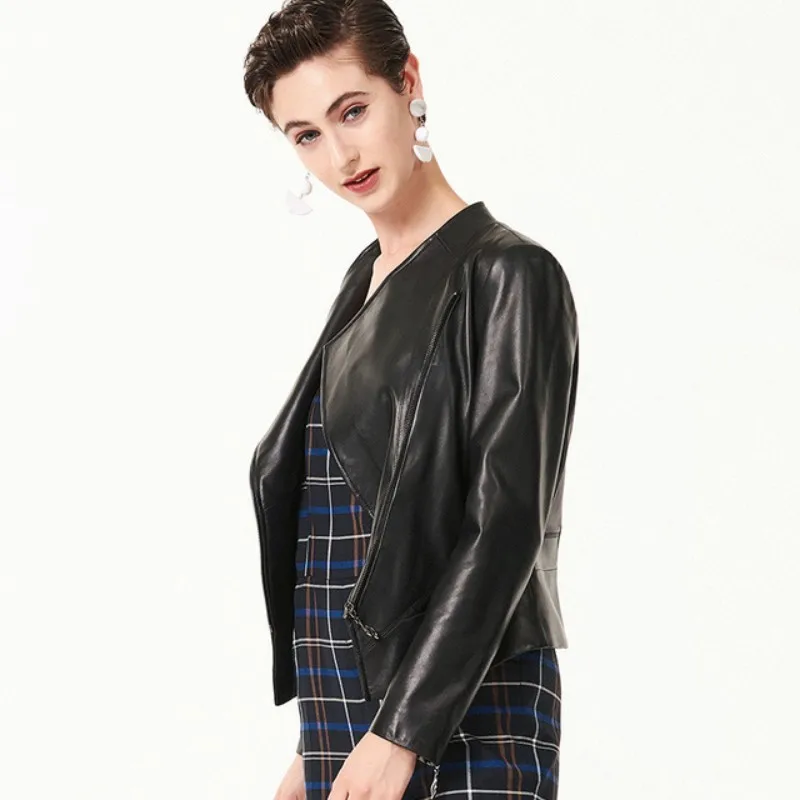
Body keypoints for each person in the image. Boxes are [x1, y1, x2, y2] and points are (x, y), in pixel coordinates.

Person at [243, 2, 580, 798]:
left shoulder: (508, 274)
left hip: (463, 709)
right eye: (306, 135)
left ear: (408, 82)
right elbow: (342, 515)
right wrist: (316, 739)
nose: (340, 155)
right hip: (348, 712)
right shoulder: (362, 282)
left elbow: (504, 524)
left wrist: (402, 730)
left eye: (352, 111)